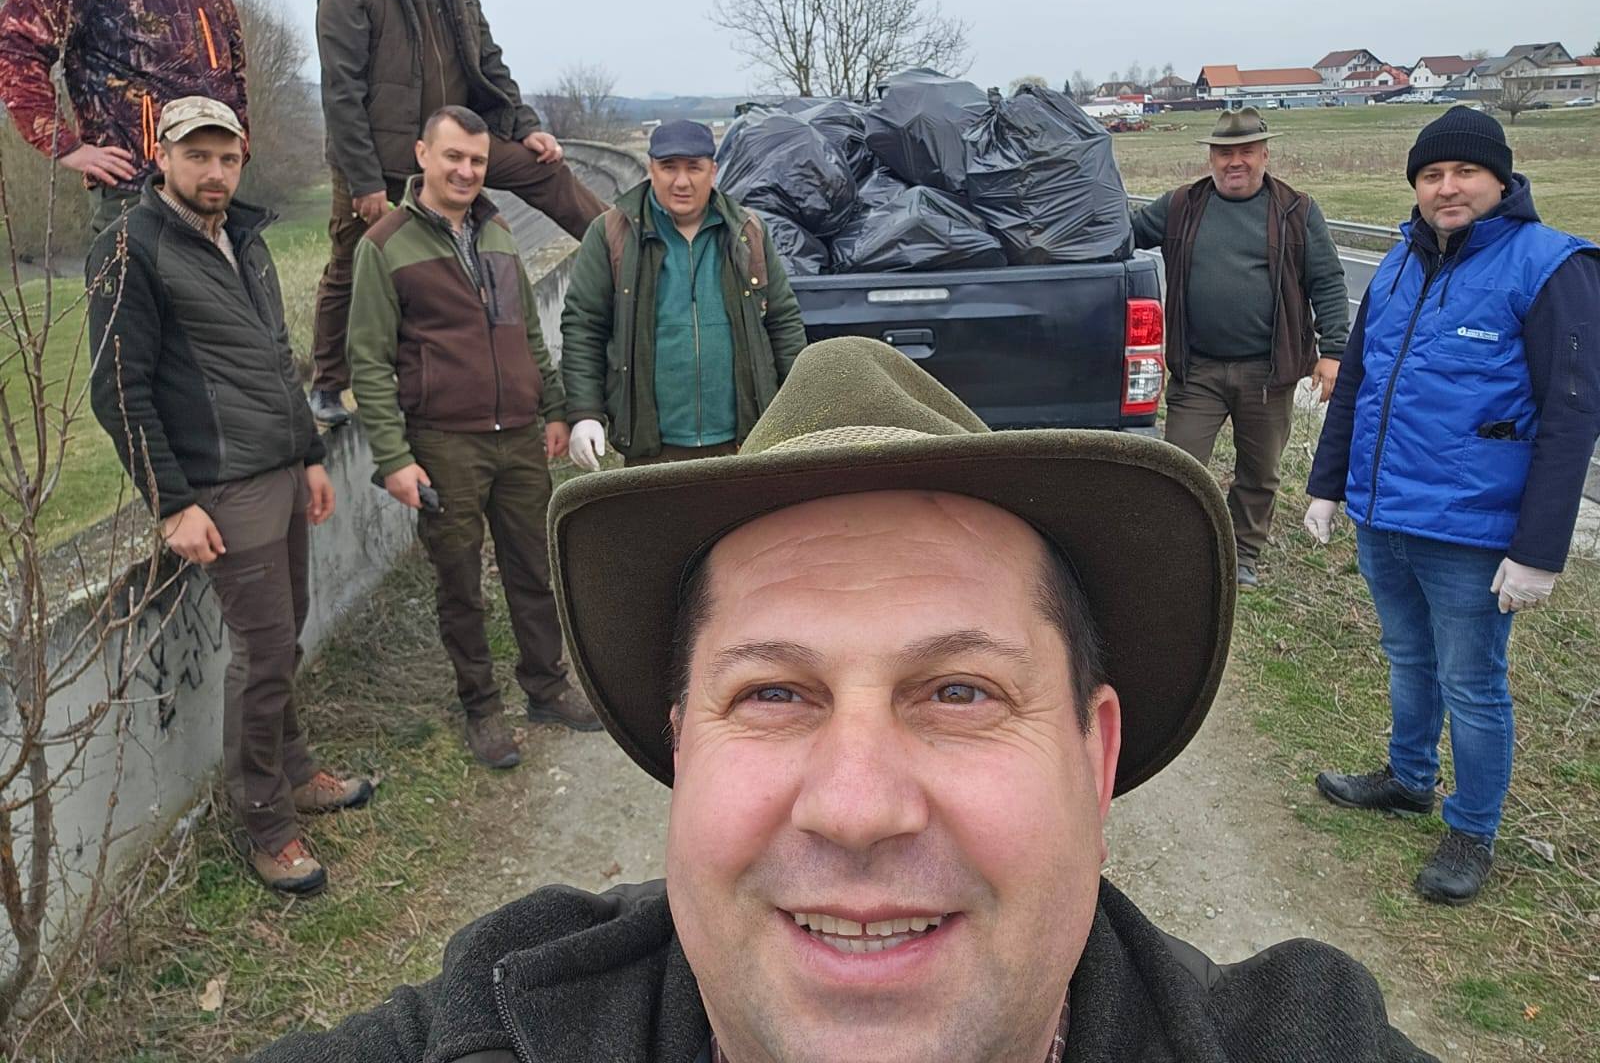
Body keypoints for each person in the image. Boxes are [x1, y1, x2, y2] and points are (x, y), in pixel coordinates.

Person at [253, 336, 1432, 1062]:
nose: (857, 810)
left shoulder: (1296, 1037)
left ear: (1093, 756)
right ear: (682, 749)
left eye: (959, 690)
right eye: (773, 693)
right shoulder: (496, 1026)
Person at [1305, 106, 1600, 905]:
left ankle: (1472, 829)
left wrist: (1539, 550)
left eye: (1465, 171)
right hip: (1385, 514)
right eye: (1432, 174)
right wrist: (1328, 485)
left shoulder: (1550, 267)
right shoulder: (1399, 264)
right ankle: (1408, 778)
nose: (1447, 187)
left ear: (1500, 179)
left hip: (1472, 531)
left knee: (1473, 684)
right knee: (1408, 658)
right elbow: (1357, 382)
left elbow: (1572, 416)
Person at [86, 96, 371, 897]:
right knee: (263, 651)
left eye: (227, 157)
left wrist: (309, 455)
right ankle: (267, 824)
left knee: (285, 635)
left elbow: (276, 357)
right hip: (219, 484)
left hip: (279, 470)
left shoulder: (242, 237)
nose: (214, 172)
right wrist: (172, 503)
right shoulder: (131, 246)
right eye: (197, 155)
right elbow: (118, 389)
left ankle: (295, 770)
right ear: (163, 155)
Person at [347, 104, 600, 769]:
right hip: (444, 443)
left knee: (534, 568)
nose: (465, 171)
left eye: (477, 161)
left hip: (517, 436)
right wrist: (394, 459)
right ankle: (482, 709)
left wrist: (553, 408)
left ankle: (547, 687)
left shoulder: (499, 232)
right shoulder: (385, 246)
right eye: (453, 156)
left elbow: (526, 334)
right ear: (422, 156)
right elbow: (368, 362)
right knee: (459, 581)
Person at [308, 0, 606, 427]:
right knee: (350, 259)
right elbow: (340, 93)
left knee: (545, 168)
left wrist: (525, 125)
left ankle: (627, 249)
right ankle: (327, 383)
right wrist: (364, 180)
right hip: (379, 154)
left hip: (461, 141)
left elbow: (488, 57)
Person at [1131, 107, 1349, 588]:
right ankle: (1177, 553)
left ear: (1264, 155)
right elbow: (1124, 234)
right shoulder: (1181, 205)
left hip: (1268, 373)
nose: (1235, 161)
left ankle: (1242, 554)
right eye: (1224, 153)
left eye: (1246, 151)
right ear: (1211, 157)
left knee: (1260, 472)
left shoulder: (1295, 211)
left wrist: (1333, 352)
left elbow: (1329, 283)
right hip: (1198, 372)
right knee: (1180, 468)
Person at [0, 0, 247, 234]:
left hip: (214, 194)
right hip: (134, 197)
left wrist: (239, 153)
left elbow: (237, 81)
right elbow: (14, 45)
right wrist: (63, 144)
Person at [560, 118, 807, 469]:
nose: (681, 181)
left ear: (713, 171)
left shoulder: (747, 232)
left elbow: (783, 322)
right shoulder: (613, 233)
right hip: (652, 448)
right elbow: (584, 326)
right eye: (668, 167)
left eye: (694, 167)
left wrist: (799, 405)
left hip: (745, 442)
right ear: (651, 169)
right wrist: (585, 412)